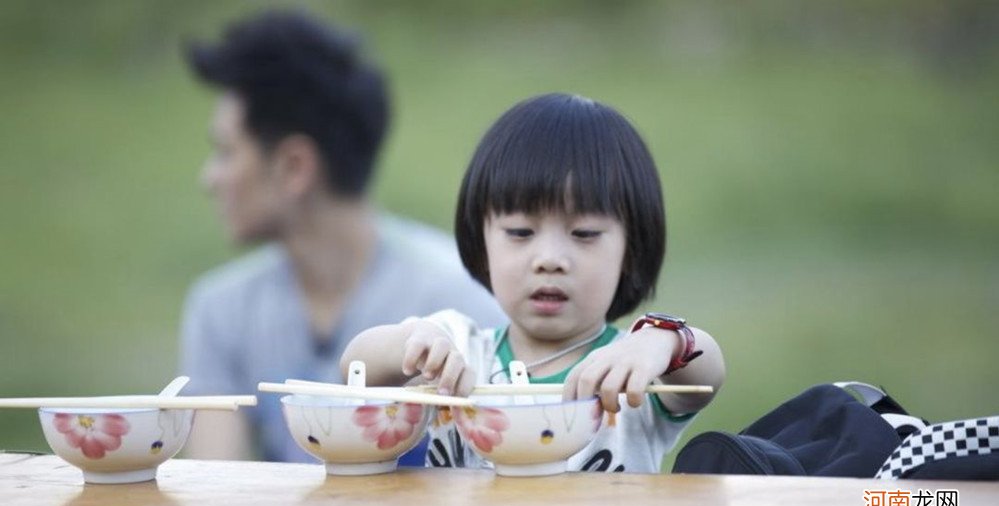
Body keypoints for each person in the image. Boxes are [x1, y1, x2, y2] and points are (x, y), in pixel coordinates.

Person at [178, 10, 505, 463]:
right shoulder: (221, 310)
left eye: (226, 152)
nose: (209, 178)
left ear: (295, 166)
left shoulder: (463, 298)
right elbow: (212, 492)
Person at [340, 93, 726, 473]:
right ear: (482, 243)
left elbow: (707, 377)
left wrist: (662, 342)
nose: (550, 260)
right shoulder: (458, 352)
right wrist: (412, 345)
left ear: (631, 248)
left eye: (585, 233)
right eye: (521, 232)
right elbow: (355, 367)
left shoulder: (629, 370)